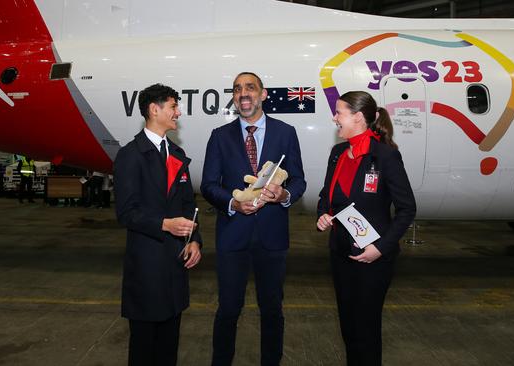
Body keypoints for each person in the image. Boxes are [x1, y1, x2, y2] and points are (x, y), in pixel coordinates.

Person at [201, 72, 306, 366]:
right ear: (234, 98)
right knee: (228, 310)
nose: (243, 93)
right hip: (232, 235)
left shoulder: (285, 132)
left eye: (250, 88)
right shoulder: (219, 137)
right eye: (237, 89)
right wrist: (233, 202)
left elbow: (298, 180)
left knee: (272, 310)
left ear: (262, 94)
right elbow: (209, 185)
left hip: (272, 239)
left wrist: (284, 195)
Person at [316, 91, 416, 366]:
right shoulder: (338, 153)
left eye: (339, 113)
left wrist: (380, 248)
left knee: (366, 330)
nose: (334, 118)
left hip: (373, 258)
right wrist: (323, 214)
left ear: (358, 118)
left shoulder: (385, 156)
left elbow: (407, 209)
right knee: (348, 327)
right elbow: (327, 195)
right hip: (341, 253)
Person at [114, 83, 202, 366]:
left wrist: (195, 240)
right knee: (143, 347)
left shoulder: (177, 154)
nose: (178, 113)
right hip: (147, 266)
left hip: (175, 264)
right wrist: (164, 224)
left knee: (169, 346)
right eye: (173, 106)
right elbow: (126, 212)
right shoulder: (130, 155)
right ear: (155, 109)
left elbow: (189, 205)